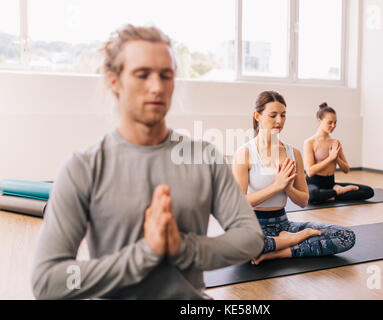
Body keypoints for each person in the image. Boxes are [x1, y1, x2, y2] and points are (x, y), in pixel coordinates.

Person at [31, 24, 263, 300]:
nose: (157, 87)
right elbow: (49, 281)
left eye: (166, 75)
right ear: (114, 81)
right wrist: (145, 254)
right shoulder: (82, 168)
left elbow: (250, 238)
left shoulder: (205, 157)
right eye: (142, 75)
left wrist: (182, 248)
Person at [232, 91, 356, 265]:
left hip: (284, 225)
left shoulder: (293, 153)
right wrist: (276, 186)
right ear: (257, 116)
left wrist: (288, 188)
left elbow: (304, 201)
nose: (279, 121)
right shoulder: (244, 153)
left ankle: (276, 252)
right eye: (273, 115)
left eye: (283, 115)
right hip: (251, 227)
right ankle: (291, 241)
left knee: (346, 236)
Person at [303, 102, 374, 204]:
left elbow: (346, 169)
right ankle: (337, 193)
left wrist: (337, 159)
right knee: (313, 195)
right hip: (314, 184)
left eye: (335, 122)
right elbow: (309, 171)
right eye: (330, 122)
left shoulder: (335, 142)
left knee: (368, 191)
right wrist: (330, 159)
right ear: (319, 121)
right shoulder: (309, 142)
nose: (333, 125)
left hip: (331, 183)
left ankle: (331, 194)